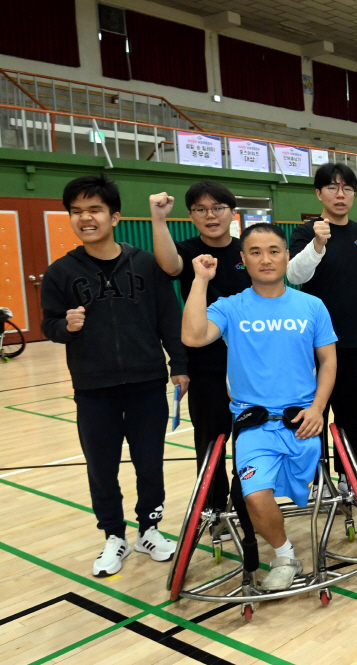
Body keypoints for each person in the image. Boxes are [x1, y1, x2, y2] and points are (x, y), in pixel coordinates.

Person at [40, 175, 186, 576]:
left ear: (114, 216)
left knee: (149, 463)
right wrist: (64, 326)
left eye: (94, 210)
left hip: (147, 383)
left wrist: (180, 365)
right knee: (101, 467)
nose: (86, 218)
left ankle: (149, 529)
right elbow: (47, 326)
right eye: (77, 212)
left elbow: (168, 319)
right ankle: (114, 536)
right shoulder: (60, 273)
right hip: (93, 389)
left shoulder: (145, 263)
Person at [181, 222, 337, 592]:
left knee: (293, 483)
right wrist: (200, 280)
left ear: (286, 255)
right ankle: (285, 555)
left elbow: (329, 362)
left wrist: (317, 409)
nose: (265, 259)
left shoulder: (312, 306)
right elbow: (192, 335)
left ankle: (285, 540)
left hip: (303, 419)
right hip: (253, 424)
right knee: (253, 494)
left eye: (273, 251)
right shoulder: (230, 307)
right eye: (255, 252)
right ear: (243, 261)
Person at [149, 182, 252, 515]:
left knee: (250, 437)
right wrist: (159, 220)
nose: (211, 215)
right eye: (201, 209)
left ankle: (247, 500)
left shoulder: (246, 251)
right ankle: (213, 507)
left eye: (218, 207)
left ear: (232, 213)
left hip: (249, 362)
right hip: (205, 363)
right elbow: (169, 266)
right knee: (210, 439)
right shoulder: (188, 250)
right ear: (191, 215)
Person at [286, 164, 357, 488]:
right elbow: (294, 276)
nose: (340, 194)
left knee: (349, 410)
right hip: (313, 340)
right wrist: (317, 244)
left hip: (354, 339)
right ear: (318, 193)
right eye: (332, 187)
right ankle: (316, 474)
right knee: (315, 410)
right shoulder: (305, 233)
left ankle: (347, 474)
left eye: (347, 188)